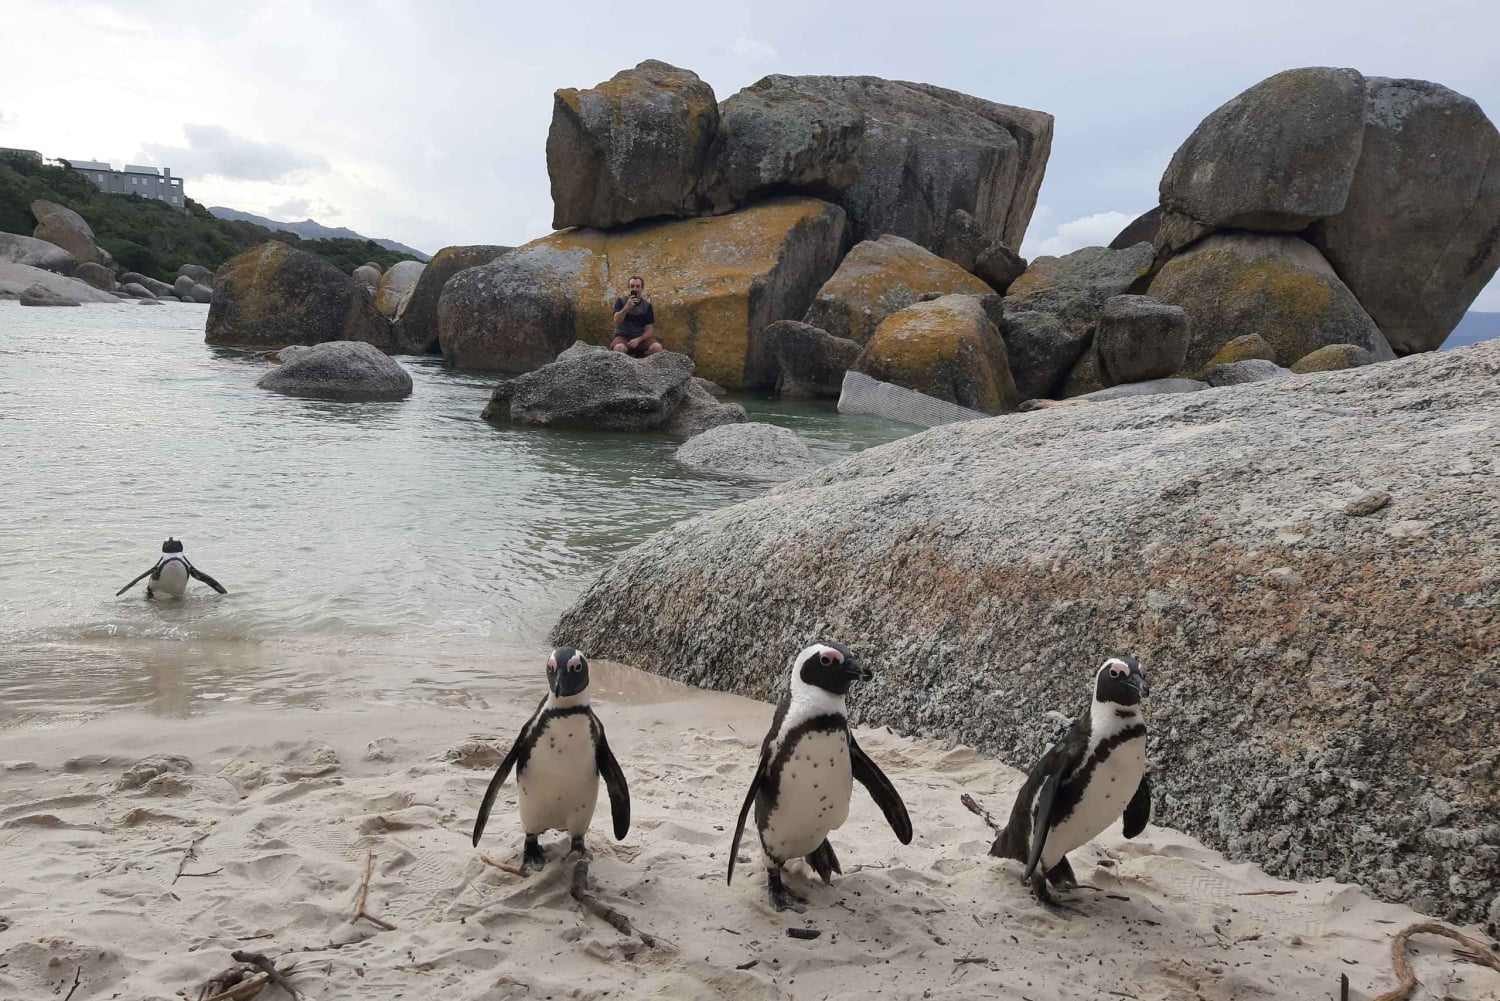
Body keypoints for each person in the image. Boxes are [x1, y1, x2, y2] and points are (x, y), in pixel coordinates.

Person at [611, 276, 661, 357]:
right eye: (632, 286)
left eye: (638, 286)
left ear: (642, 289)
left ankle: (643, 356)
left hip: (640, 337)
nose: (635, 289)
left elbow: (650, 328)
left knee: (657, 347)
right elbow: (616, 321)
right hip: (623, 336)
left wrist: (639, 339)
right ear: (629, 288)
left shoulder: (647, 306)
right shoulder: (621, 301)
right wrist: (626, 308)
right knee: (619, 348)